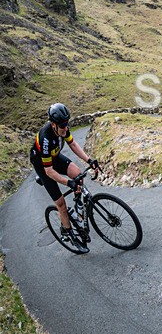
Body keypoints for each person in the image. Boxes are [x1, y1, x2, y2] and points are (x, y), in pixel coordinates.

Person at [30, 103, 99, 254]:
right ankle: (68, 233)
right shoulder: (45, 139)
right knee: (61, 204)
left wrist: (89, 161)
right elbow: (49, 171)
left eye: (67, 123)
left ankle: (78, 207)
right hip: (43, 166)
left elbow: (73, 144)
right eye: (62, 125)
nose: (65, 127)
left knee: (78, 174)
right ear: (53, 124)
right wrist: (69, 183)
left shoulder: (63, 129)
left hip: (54, 157)